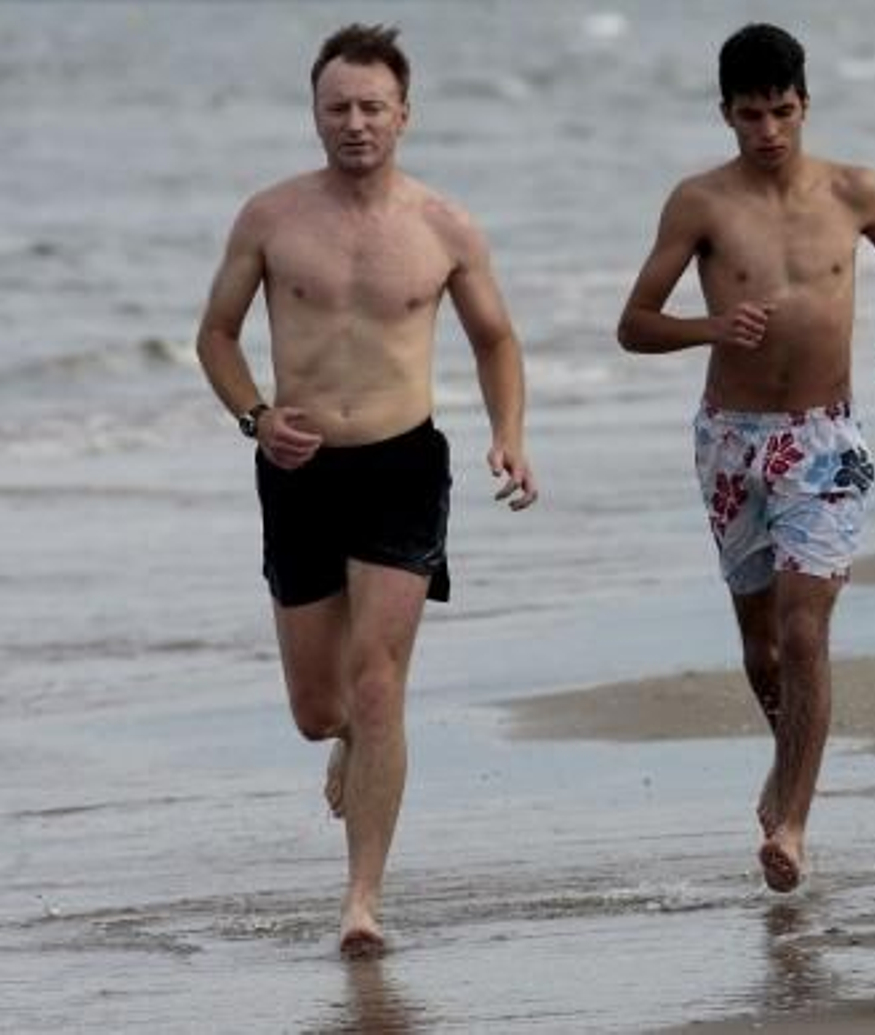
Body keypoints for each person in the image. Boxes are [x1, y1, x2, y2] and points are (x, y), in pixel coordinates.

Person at [195, 24, 537, 957]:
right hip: (297, 472)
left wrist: (508, 435)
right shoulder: (269, 218)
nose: (355, 123)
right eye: (338, 107)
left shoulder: (444, 227)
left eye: (371, 107)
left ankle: (361, 900)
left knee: (378, 684)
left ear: (404, 115)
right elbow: (216, 337)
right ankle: (349, 737)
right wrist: (257, 417)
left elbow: (497, 340)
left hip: (401, 467)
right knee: (321, 709)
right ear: (315, 114)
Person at [615, 23, 875, 894]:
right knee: (761, 648)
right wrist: (710, 327)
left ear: (805, 103)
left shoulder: (855, 188)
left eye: (782, 111)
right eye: (750, 115)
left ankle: (792, 819)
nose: (768, 131)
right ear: (725, 113)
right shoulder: (700, 204)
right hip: (731, 439)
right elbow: (634, 323)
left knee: (804, 630)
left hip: (824, 440)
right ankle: (786, 761)